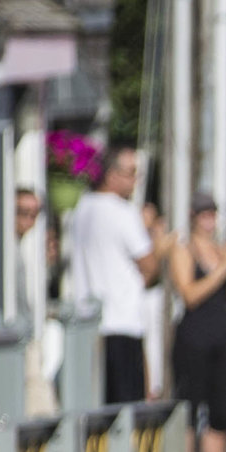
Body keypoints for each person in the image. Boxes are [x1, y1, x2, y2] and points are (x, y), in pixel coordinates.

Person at [63, 145, 175, 406]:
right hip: (121, 322)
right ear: (111, 174)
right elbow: (149, 265)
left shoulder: (81, 208)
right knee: (125, 410)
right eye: (131, 172)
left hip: (88, 323)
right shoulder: (123, 212)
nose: (135, 181)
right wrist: (161, 246)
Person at [169, 194, 226, 452]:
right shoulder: (184, 249)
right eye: (204, 214)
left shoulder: (221, 250)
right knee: (190, 407)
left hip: (222, 336)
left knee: (220, 410)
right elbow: (189, 295)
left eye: (213, 214)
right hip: (194, 338)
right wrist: (222, 269)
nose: (209, 220)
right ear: (193, 216)